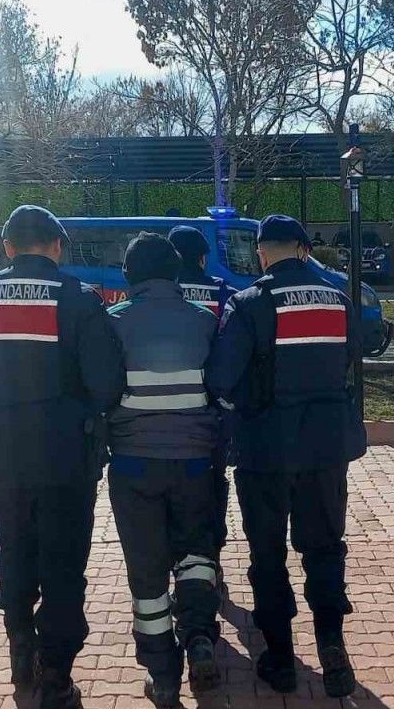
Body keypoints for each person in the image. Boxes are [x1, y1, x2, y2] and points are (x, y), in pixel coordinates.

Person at [0, 205, 125, 709]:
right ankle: (56, 676)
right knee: (62, 562)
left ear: (7, 247)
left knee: (13, 547)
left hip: (2, 451)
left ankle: (19, 643)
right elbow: (106, 385)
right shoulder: (79, 299)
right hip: (64, 455)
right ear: (57, 246)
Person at [205, 214, 367, 698]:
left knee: (268, 555)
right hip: (325, 448)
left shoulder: (249, 302)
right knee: (325, 548)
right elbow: (350, 358)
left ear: (260, 253)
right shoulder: (338, 300)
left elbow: (221, 377)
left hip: (266, 450)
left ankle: (279, 657)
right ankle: (332, 645)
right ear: (303, 249)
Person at [105, 232, 222, 707]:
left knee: (148, 573)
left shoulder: (112, 322)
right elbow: (221, 387)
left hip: (133, 465)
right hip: (195, 461)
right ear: (177, 273)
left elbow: (100, 389)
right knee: (196, 553)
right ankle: (199, 636)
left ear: (128, 275)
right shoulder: (205, 320)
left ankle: (163, 674)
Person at [167, 225, 233, 576]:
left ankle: (174, 557)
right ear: (203, 258)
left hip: (165, 409)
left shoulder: (162, 294)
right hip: (212, 410)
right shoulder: (223, 293)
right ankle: (210, 557)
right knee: (212, 481)